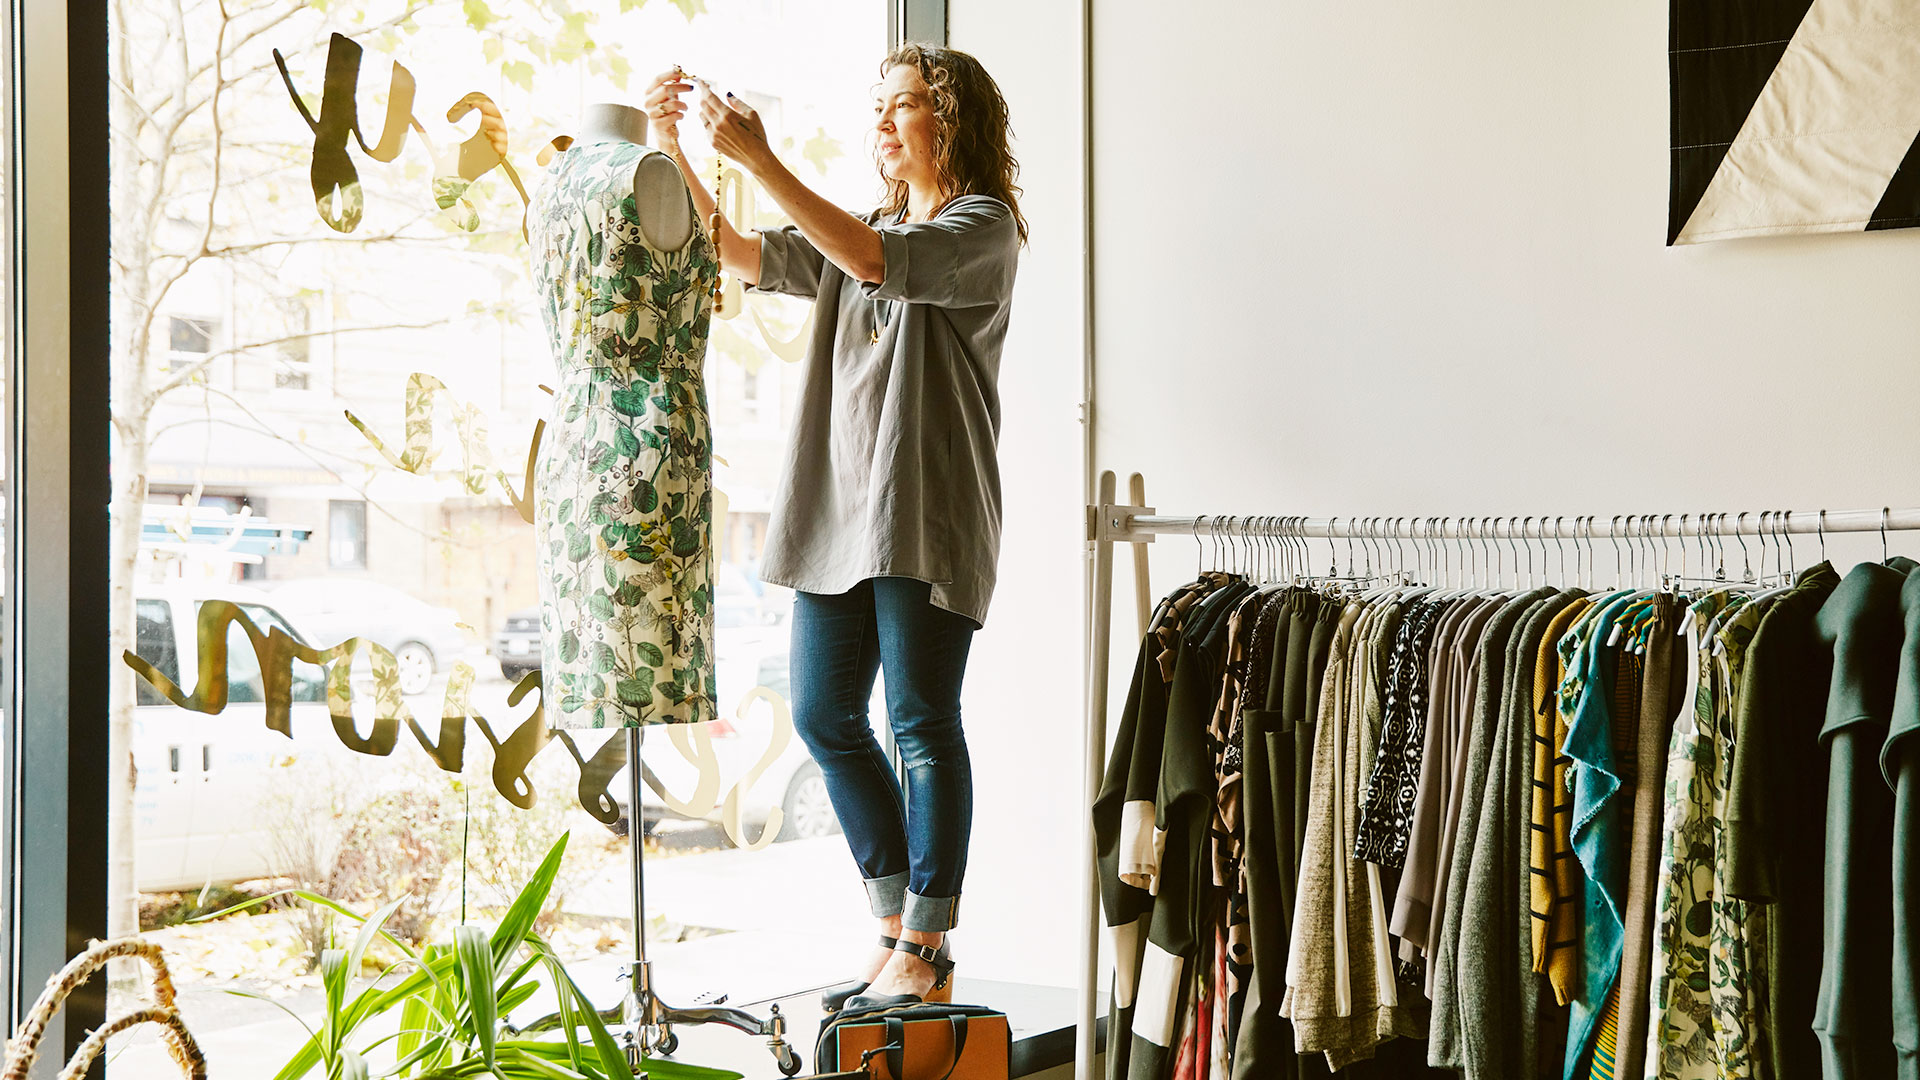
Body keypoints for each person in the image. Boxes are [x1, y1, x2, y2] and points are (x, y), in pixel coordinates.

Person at [642, 43, 1024, 1007]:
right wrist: (671, 142)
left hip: (924, 509)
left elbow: (871, 260)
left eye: (904, 106)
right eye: (882, 107)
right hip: (838, 511)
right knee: (821, 713)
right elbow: (731, 249)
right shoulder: (865, 229)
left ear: (954, 121)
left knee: (920, 724)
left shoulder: (983, 229)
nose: (885, 123)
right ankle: (895, 918)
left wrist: (764, 158)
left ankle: (928, 943)